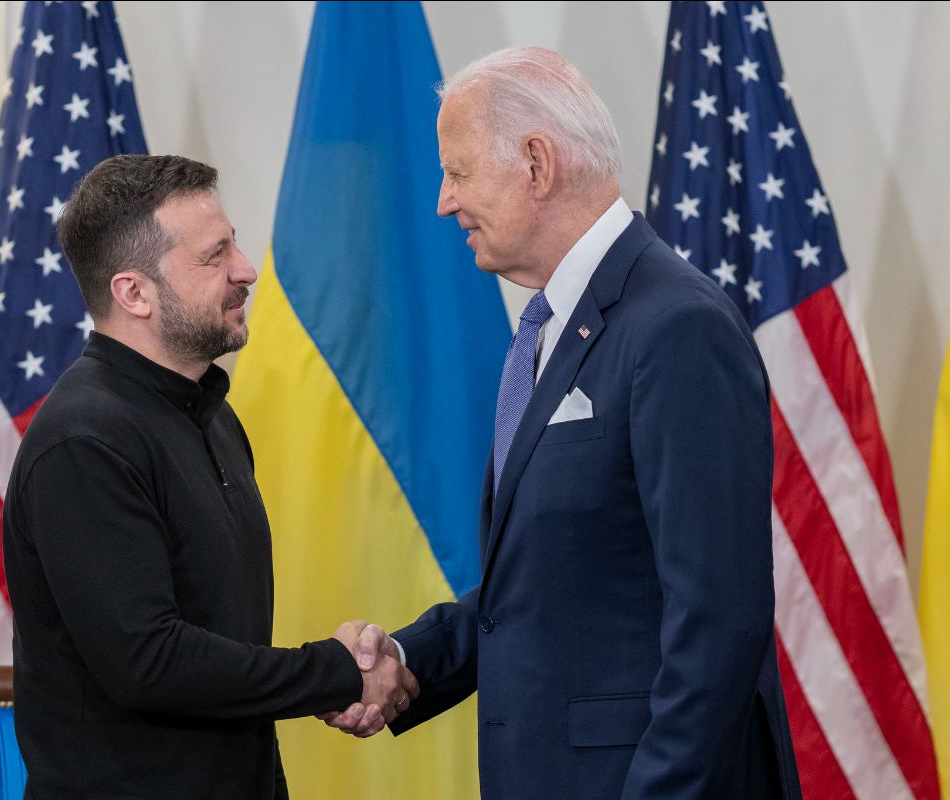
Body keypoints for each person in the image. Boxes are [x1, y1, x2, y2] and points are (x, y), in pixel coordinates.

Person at [325, 48, 803, 799]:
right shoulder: (554, 325)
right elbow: (555, 584)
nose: (444, 202)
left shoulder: (677, 326)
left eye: (458, 172)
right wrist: (408, 660)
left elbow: (718, 619)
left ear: (537, 165)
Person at [2, 154, 417, 799]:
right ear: (132, 292)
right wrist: (335, 674)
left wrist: (337, 675)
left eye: (235, 244)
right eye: (214, 255)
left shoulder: (214, 420)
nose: (245, 270)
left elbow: (224, 643)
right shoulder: (83, 440)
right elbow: (149, 661)